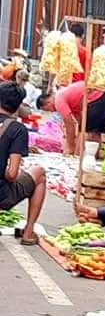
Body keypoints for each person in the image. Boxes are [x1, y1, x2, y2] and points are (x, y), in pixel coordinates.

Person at [0, 82, 44, 245]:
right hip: (2, 196)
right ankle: (28, 232)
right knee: (39, 173)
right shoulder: (17, 129)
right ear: (18, 105)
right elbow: (12, 175)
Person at [37, 82, 105, 156]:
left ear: (48, 103)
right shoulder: (65, 97)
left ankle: (81, 156)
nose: (51, 111)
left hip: (98, 98)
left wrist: (71, 149)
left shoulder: (58, 100)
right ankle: (93, 157)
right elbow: (77, 120)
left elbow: (69, 125)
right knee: (95, 132)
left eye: (47, 110)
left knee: (88, 132)